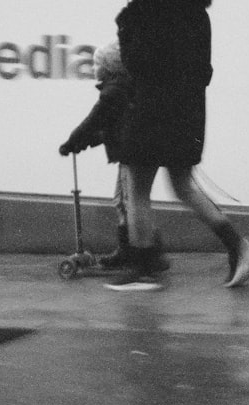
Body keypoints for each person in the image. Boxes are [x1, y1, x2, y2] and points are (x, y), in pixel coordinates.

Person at [109, 0, 249, 291]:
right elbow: (204, 71)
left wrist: (125, 25)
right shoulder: (197, 13)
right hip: (187, 114)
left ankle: (143, 266)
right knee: (183, 186)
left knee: (136, 189)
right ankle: (237, 245)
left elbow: (137, 65)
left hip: (151, 110)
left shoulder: (149, 12)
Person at [59, 41, 168, 271]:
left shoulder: (114, 91)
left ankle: (143, 253)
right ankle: (135, 250)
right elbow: (109, 129)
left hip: (131, 155)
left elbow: (95, 120)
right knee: (124, 202)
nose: (93, 69)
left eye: (96, 64)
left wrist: (73, 140)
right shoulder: (123, 87)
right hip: (130, 153)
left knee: (128, 202)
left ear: (108, 67)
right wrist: (85, 142)